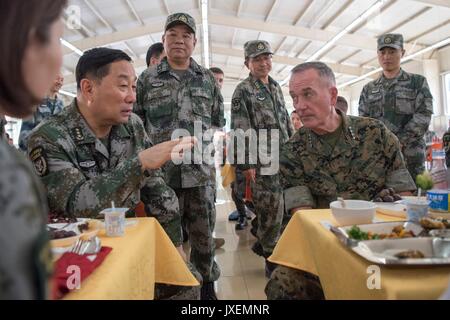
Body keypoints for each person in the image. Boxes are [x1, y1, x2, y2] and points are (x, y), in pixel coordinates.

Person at [27, 47, 199, 299]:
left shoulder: (132, 126)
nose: (132, 97)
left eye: (134, 87)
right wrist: (138, 163)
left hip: (125, 240)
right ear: (88, 89)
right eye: (122, 87)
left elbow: (157, 191)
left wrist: (175, 247)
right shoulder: (49, 138)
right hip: (73, 256)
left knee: (186, 285)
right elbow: (78, 205)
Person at [265, 61, 416, 300]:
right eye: (294, 97)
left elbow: (405, 198)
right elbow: (303, 215)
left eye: (307, 94)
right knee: (283, 283)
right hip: (326, 249)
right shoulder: (292, 151)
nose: (299, 106)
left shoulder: (375, 134)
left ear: (332, 94)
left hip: (381, 243)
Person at [135, 13, 225, 300]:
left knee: (203, 239)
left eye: (186, 35)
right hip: (162, 179)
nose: (179, 40)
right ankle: (173, 290)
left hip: (200, 176)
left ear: (194, 42)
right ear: (163, 40)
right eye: (172, 34)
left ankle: (208, 289)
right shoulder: (147, 79)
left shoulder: (207, 79)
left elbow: (216, 120)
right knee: (166, 241)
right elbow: (136, 124)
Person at [0, 0, 67, 300]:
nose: (58, 60)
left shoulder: (58, 104)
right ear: (25, 39)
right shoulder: (10, 175)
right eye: (56, 37)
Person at [230, 40, 293, 276]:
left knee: (284, 209)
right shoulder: (244, 90)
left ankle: (273, 249)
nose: (263, 63)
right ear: (247, 63)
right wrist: (246, 164)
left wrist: (294, 149)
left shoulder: (276, 87)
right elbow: (240, 128)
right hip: (262, 162)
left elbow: (285, 121)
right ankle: (270, 260)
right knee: (270, 211)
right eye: (257, 59)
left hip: (283, 158)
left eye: (266, 58)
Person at [358, 33, 433, 181]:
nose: (387, 57)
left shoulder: (417, 83)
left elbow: (423, 116)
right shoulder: (369, 89)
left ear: (402, 52)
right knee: (383, 199)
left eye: (392, 52)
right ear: (377, 54)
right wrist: (379, 146)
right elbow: (363, 122)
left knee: (413, 201)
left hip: (410, 158)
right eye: (383, 52)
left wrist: (397, 143)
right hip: (379, 158)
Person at [19, 73, 65, 151]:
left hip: (56, 155)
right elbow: (23, 140)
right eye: (57, 79)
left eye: (62, 80)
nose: (60, 82)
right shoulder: (34, 102)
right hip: (37, 155)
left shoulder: (61, 105)